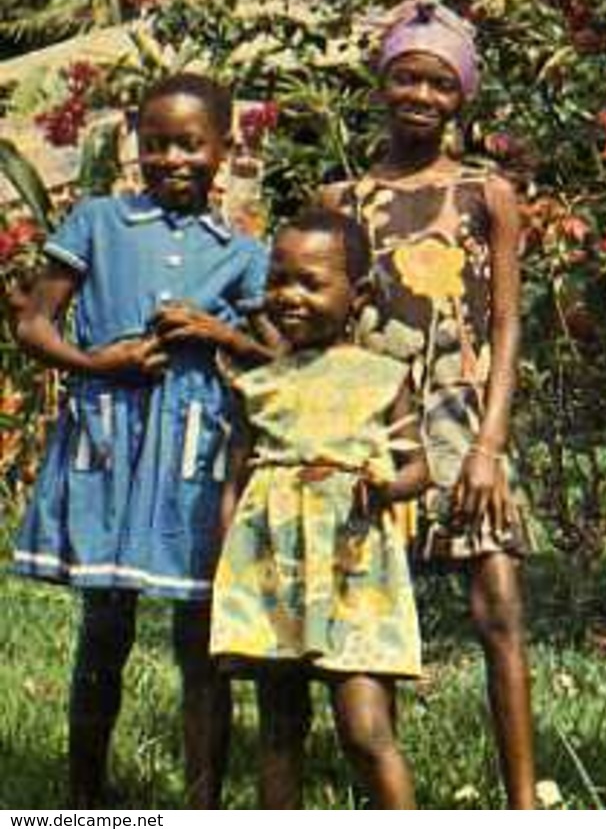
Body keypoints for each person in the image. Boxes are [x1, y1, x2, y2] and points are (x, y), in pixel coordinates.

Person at [11, 73, 273, 807]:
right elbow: (34, 323)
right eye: (155, 144)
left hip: (191, 452)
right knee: (104, 627)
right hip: (109, 444)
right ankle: (83, 803)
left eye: (190, 144)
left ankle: (202, 804)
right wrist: (99, 362)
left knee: (199, 636)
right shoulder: (98, 221)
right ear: (136, 143)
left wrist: (219, 332)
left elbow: (284, 355)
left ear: (225, 147)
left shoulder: (244, 252)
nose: (172, 160)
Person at [322, 0, 537, 807]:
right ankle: (388, 793)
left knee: (499, 604)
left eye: (438, 84)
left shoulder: (487, 192)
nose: (419, 96)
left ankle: (523, 801)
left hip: (463, 417)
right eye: (405, 78)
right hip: (375, 424)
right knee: (374, 612)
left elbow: (509, 323)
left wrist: (488, 447)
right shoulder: (342, 198)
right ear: (381, 84)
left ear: (462, 97)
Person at [211, 209, 429, 809]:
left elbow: (419, 469)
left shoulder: (383, 377)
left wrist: (387, 483)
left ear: (357, 295)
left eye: (310, 283)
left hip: (354, 575)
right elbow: (235, 481)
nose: (289, 297)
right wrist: (227, 575)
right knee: (279, 730)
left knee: (365, 727)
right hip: (273, 574)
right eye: (279, 281)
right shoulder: (258, 385)